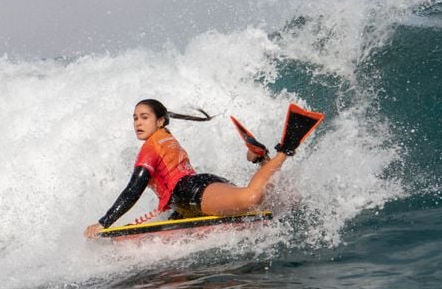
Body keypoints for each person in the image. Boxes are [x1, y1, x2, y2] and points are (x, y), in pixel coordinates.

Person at [84, 99, 289, 238]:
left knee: (251, 199)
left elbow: (133, 190)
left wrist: (104, 222)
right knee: (270, 203)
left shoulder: (150, 148)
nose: (137, 122)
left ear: (160, 121)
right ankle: (261, 160)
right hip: (192, 196)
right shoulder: (165, 137)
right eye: (135, 118)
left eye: (144, 117)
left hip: (192, 193)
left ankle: (286, 149)